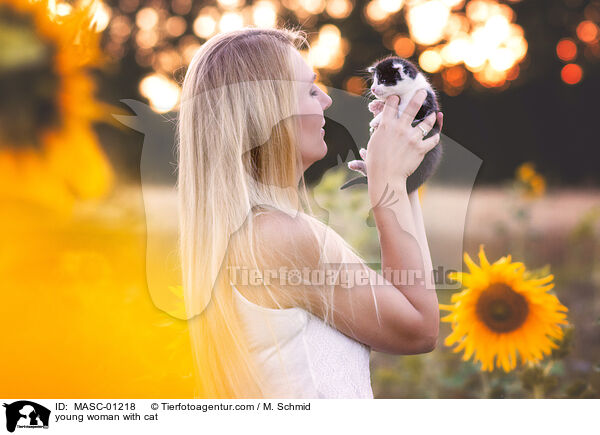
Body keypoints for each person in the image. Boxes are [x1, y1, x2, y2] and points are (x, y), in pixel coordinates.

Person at [176, 26, 443, 399]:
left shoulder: (255, 230)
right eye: (309, 90)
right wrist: (388, 185)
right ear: (266, 112)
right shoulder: (278, 237)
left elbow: (414, 310)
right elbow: (420, 328)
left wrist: (402, 181)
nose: (326, 101)